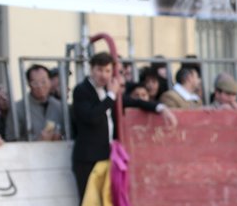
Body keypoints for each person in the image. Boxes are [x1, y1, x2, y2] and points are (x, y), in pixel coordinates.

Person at [71, 52, 176, 196]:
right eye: (99, 70)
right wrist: (111, 96)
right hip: (87, 158)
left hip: (106, 155)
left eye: (107, 71)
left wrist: (160, 108)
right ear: (91, 70)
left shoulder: (107, 91)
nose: (103, 75)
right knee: (88, 204)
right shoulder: (81, 90)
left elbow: (134, 101)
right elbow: (92, 117)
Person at [15, 65, 65, 141]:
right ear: (28, 84)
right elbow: (10, 140)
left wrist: (60, 138)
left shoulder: (60, 106)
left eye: (43, 82)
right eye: (35, 83)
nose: (40, 86)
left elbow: (70, 135)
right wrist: (38, 140)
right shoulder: (18, 108)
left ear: (50, 81)